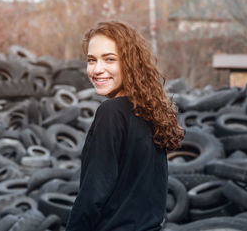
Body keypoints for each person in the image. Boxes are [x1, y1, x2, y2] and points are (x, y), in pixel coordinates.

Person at [65, 21, 185, 231]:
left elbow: (92, 195)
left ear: (130, 63)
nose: (97, 69)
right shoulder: (151, 113)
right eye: (91, 60)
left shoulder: (111, 113)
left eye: (109, 59)